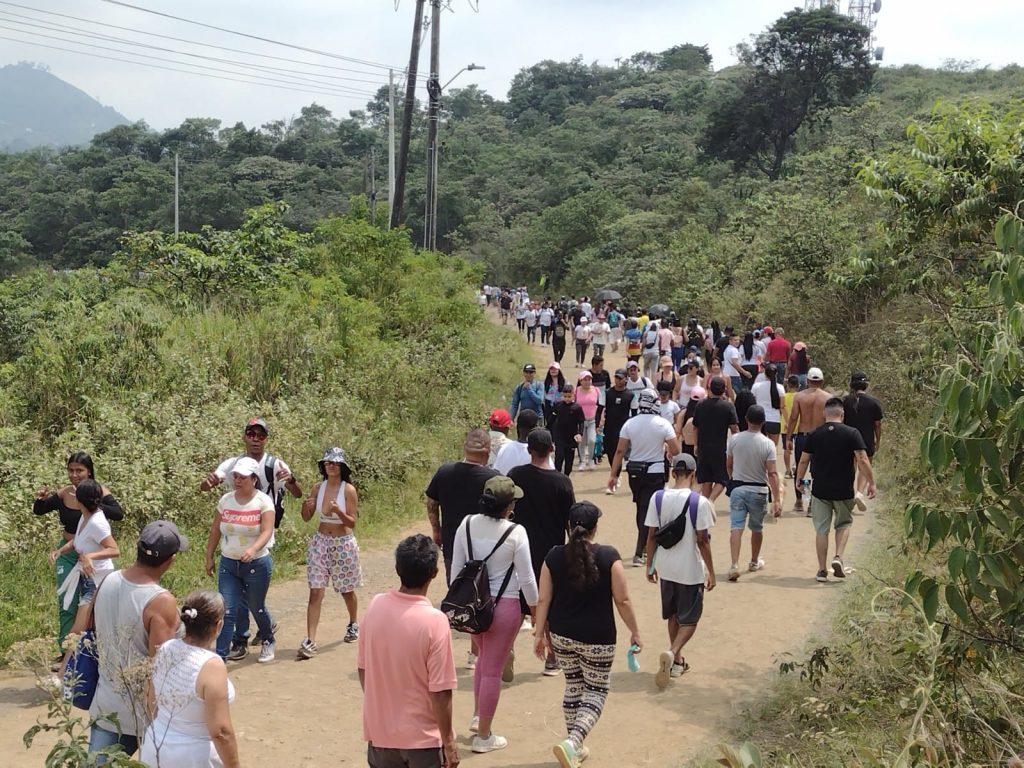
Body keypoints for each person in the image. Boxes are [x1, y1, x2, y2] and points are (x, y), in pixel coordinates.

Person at [534, 501, 642, 767]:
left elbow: (543, 599)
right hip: (598, 637)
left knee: (573, 685)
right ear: (595, 528)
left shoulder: (553, 556)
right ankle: (573, 742)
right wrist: (635, 631)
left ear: (569, 527)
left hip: (562, 634)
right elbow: (623, 600)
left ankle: (575, 748)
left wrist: (539, 635)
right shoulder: (609, 556)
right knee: (596, 690)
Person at [450, 477, 538, 754]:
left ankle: (479, 715)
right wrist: (536, 611)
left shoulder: (465, 524)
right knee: (492, 671)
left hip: (474, 607)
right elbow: (527, 580)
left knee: (482, 662)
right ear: (508, 506)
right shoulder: (516, 532)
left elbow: (456, 572)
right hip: (505, 606)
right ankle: (484, 736)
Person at [200, 418, 301, 655]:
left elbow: (296, 493)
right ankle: (238, 641)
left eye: (261, 435)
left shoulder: (274, 465)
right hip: (233, 534)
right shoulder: (231, 465)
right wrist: (208, 483)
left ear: (266, 439)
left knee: (249, 596)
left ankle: (257, 632)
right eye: (251, 434)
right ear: (244, 436)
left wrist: (292, 480)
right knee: (233, 601)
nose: (255, 439)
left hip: (260, 536)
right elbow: (206, 487)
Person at [359, 534, 458, 768]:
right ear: (434, 573)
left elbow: (364, 669)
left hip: (381, 737)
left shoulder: (375, 606)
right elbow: (441, 692)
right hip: (423, 741)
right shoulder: (435, 622)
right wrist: (449, 742)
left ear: (397, 569)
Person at [89, 521, 185, 759]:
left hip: (106, 705)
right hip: (142, 713)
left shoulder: (108, 580)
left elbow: (90, 628)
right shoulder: (160, 600)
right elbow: (160, 665)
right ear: (170, 560)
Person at [34, 452, 124, 664]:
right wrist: (40, 499)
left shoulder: (95, 497)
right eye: (71, 470)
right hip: (70, 550)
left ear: (89, 471)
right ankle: (65, 652)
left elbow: (118, 513)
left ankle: (84, 654)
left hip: (90, 555)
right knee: (67, 602)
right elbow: (40, 510)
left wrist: (92, 502)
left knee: (91, 608)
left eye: (79, 470)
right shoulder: (65, 493)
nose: (74, 475)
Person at [140, 590, 240, 768]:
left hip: (156, 745)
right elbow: (221, 732)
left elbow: (150, 697)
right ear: (219, 625)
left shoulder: (166, 648)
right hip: (193, 757)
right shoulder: (212, 665)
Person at [508, 430, 575, 678]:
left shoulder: (515, 475)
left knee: (517, 604)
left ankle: (507, 647)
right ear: (552, 449)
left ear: (529, 450)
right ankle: (551, 659)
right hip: (551, 552)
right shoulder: (562, 482)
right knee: (547, 603)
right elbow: (571, 523)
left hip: (518, 548)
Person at [643, 454, 715, 688]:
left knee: (673, 614)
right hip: (689, 567)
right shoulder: (700, 502)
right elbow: (703, 540)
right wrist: (712, 572)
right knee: (691, 619)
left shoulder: (658, 497)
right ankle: (673, 652)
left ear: (673, 474)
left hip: (665, 566)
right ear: (693, 475)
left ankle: (677, 663)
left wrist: (650, 565)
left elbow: (651, 536)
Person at [204, 457, 277, 663]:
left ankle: (267, 638)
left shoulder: (263, 501)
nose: (238, 480)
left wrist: (253, 549)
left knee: (256, 606)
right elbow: (215, 529)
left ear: (254, 479)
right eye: (235, 476)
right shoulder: (226, 500)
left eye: (243, 477)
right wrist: (209, 556)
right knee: (227, 609)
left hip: (256, 564)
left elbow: (267, 530)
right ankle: (221, 657)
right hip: (229, 563)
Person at [796, 398, 876, 582]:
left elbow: (803, 460)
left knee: (822, 530)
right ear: (842, 414)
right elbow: (863, 459)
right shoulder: (852, 433)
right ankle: (838, 557)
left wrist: (800, 480)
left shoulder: (814, 434)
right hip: (844, 489)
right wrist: (871, 482)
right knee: (843, 524)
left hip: (820, 490)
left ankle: (822, 571)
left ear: (825, 413)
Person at [297, 447, 362, 659]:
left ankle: (353, 622)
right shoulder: (318, 488)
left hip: (343, 543)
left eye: (334, 463)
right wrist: (306, 507)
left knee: (346, 589)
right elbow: (307, 517)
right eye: (327, 463)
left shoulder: (348, 490)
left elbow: (352, 521)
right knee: (316, 590)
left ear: (342, 466)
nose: (330, 466)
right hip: (321, 542)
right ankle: (310, 640)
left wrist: (338, 512)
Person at [607, 389, 681, 568]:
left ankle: (646, 546)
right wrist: (664, 448)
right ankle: (640, 551)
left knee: (641, 507)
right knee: (649, 510)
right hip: (654, 471)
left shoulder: (630, 424)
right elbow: (676, 450)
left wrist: (613, 475)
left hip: (634, 471)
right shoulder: (663, 424)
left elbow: (620, 451)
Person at [50, 479, 120, 666]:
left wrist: (90, 556)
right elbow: (77, 541)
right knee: (93, 628)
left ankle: (64, 673)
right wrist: (61, 551)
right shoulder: (84, 516)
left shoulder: (98, 522)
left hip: (97, 582)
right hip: (85, 578)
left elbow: (114, 549)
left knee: (76, 631)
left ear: (79, 500)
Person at [424, 429, 499, 583]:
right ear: (487, 452)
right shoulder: (494, 479)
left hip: (452, 542)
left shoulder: (444, 472)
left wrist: (436, 530)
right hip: (484, 547)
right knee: (482, 592)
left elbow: (432, 502)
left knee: (455, 589)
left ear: (465, 448)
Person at [725, 405, 782, 581]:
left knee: (736, 526)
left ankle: (734, 564)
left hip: (738, 488)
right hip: (758, 489)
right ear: (763, 422)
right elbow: (772, 472)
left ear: (747, 420)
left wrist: (733, 479)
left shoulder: (734, 439)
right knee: (757, 528)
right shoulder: (768, 444)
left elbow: (729, 464)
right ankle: (754, 560)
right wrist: (777, 498)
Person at [785, 367, 832, 513]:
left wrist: (788, 438)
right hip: (821, 437)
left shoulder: (799, 396)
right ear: (822, 381)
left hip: (803, 436)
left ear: (807, 381)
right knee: (817, 471)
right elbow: (830, 419)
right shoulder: (828, 398)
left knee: (801, 469)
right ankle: (812, 504)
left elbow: (793, 418)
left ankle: (801, 500)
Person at [692, 377, 739, 503]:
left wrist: (696, 445)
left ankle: (705, 503)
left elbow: (695, 427)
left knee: (706, 479)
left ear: (709, 389)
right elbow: (734, 429)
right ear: (724, 390)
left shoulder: (700, 405)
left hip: (703, 447)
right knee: (723, 479)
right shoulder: (728, 406)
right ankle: (710, 501)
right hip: (719, 448)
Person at [843, 371, 883, 502]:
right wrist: (878, 440)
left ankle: (848, 492)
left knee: (849, 467)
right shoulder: (874, 402)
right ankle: (859, 493)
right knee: (864, 466)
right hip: (866, 439)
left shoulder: (845, 402)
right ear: (866, 385)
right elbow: (877, 425)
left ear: (851, 385)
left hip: (848, 439)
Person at [601, 369, 633, 496]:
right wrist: (599, 423)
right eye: (616, 378)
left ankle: (614, 478)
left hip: (623, 429)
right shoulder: (608, 393)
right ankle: (615, 473)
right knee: (610, 452)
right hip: (609, 427)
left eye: (621, 378)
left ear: (626, 379)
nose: (618, 380)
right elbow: (601, 409)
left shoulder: (630, 395)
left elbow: (634, 413)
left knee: (618, 452)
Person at [493, 410, 549, 476]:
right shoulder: (538, 453)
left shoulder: (504, 448)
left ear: (517, 426)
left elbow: (496, 471)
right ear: (536, 428)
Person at [551, 383, 585, 477]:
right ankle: (557, 476)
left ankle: (566, 476)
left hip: (571, 438)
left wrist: (580, 433)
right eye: (565, 396)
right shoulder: (558, 405)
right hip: (560, 436)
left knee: (569, 460)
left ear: (573, 395)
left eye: (569, 396)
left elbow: (581, 422)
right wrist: (549, 431)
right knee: (559, 457)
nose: (567, 399)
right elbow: (552, 419)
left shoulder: (577, 407)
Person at [751, 364, 786, 447]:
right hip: (775, 420)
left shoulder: (756, 386)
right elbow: (782, 406)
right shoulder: (780, 388)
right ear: (776, 374)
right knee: (772, 449)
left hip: (759, 420)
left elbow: (752, 403)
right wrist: (786, 421)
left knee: (759, 448)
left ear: (765, 374)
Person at [574, 371, 601, 471]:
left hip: (592, 420)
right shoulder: (576, 391)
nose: (587, 382)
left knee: (592, 440)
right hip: (580, 421)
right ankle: (582, 461)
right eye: (585, 380)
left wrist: (600, 420)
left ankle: (590, 459)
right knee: (581, 442)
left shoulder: (596, 390)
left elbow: (600, 406)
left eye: (589, 379)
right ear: (580, 381)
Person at [782, 374, 801, 478]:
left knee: (786, 449)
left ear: (788, 385)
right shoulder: (800, 396)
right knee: (799, 448)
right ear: (798, 385)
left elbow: (782, 408)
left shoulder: (783, 396)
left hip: (785, 426)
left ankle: (788, 470)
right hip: (798, 425)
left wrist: (787, 421)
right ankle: (796, 465)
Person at [542, 362, 567, 428]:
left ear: (559, 370)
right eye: (551, 369)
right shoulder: (545, 381)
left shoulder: (564, 381)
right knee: (550, 424)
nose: (553, 371)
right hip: (549, 405)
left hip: (560, 404)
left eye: (555, 369)